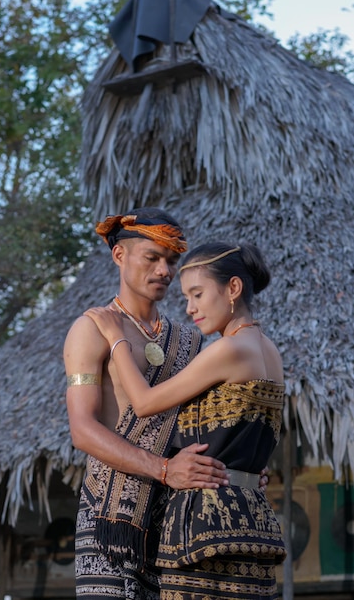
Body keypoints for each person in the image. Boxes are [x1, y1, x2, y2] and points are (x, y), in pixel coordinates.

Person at [84, 240, 287, 600]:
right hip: (253, 519)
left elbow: (145, 403)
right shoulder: (269, 350)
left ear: (233, 288)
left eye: (197, 294)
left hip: (206, 523)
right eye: (186, 297)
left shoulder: (228, 349)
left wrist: (117, 340)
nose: (190, 308)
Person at [64, 208, 233, 600]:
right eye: (152, 258)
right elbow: (82, 429)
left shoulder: (189, 340)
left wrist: (233, 469)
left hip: (178, 514)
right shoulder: (91, 329)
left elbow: (200, 425)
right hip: (110, 517)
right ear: (119, 256)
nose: (164, 271)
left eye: (171, 261)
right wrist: (163, 468)